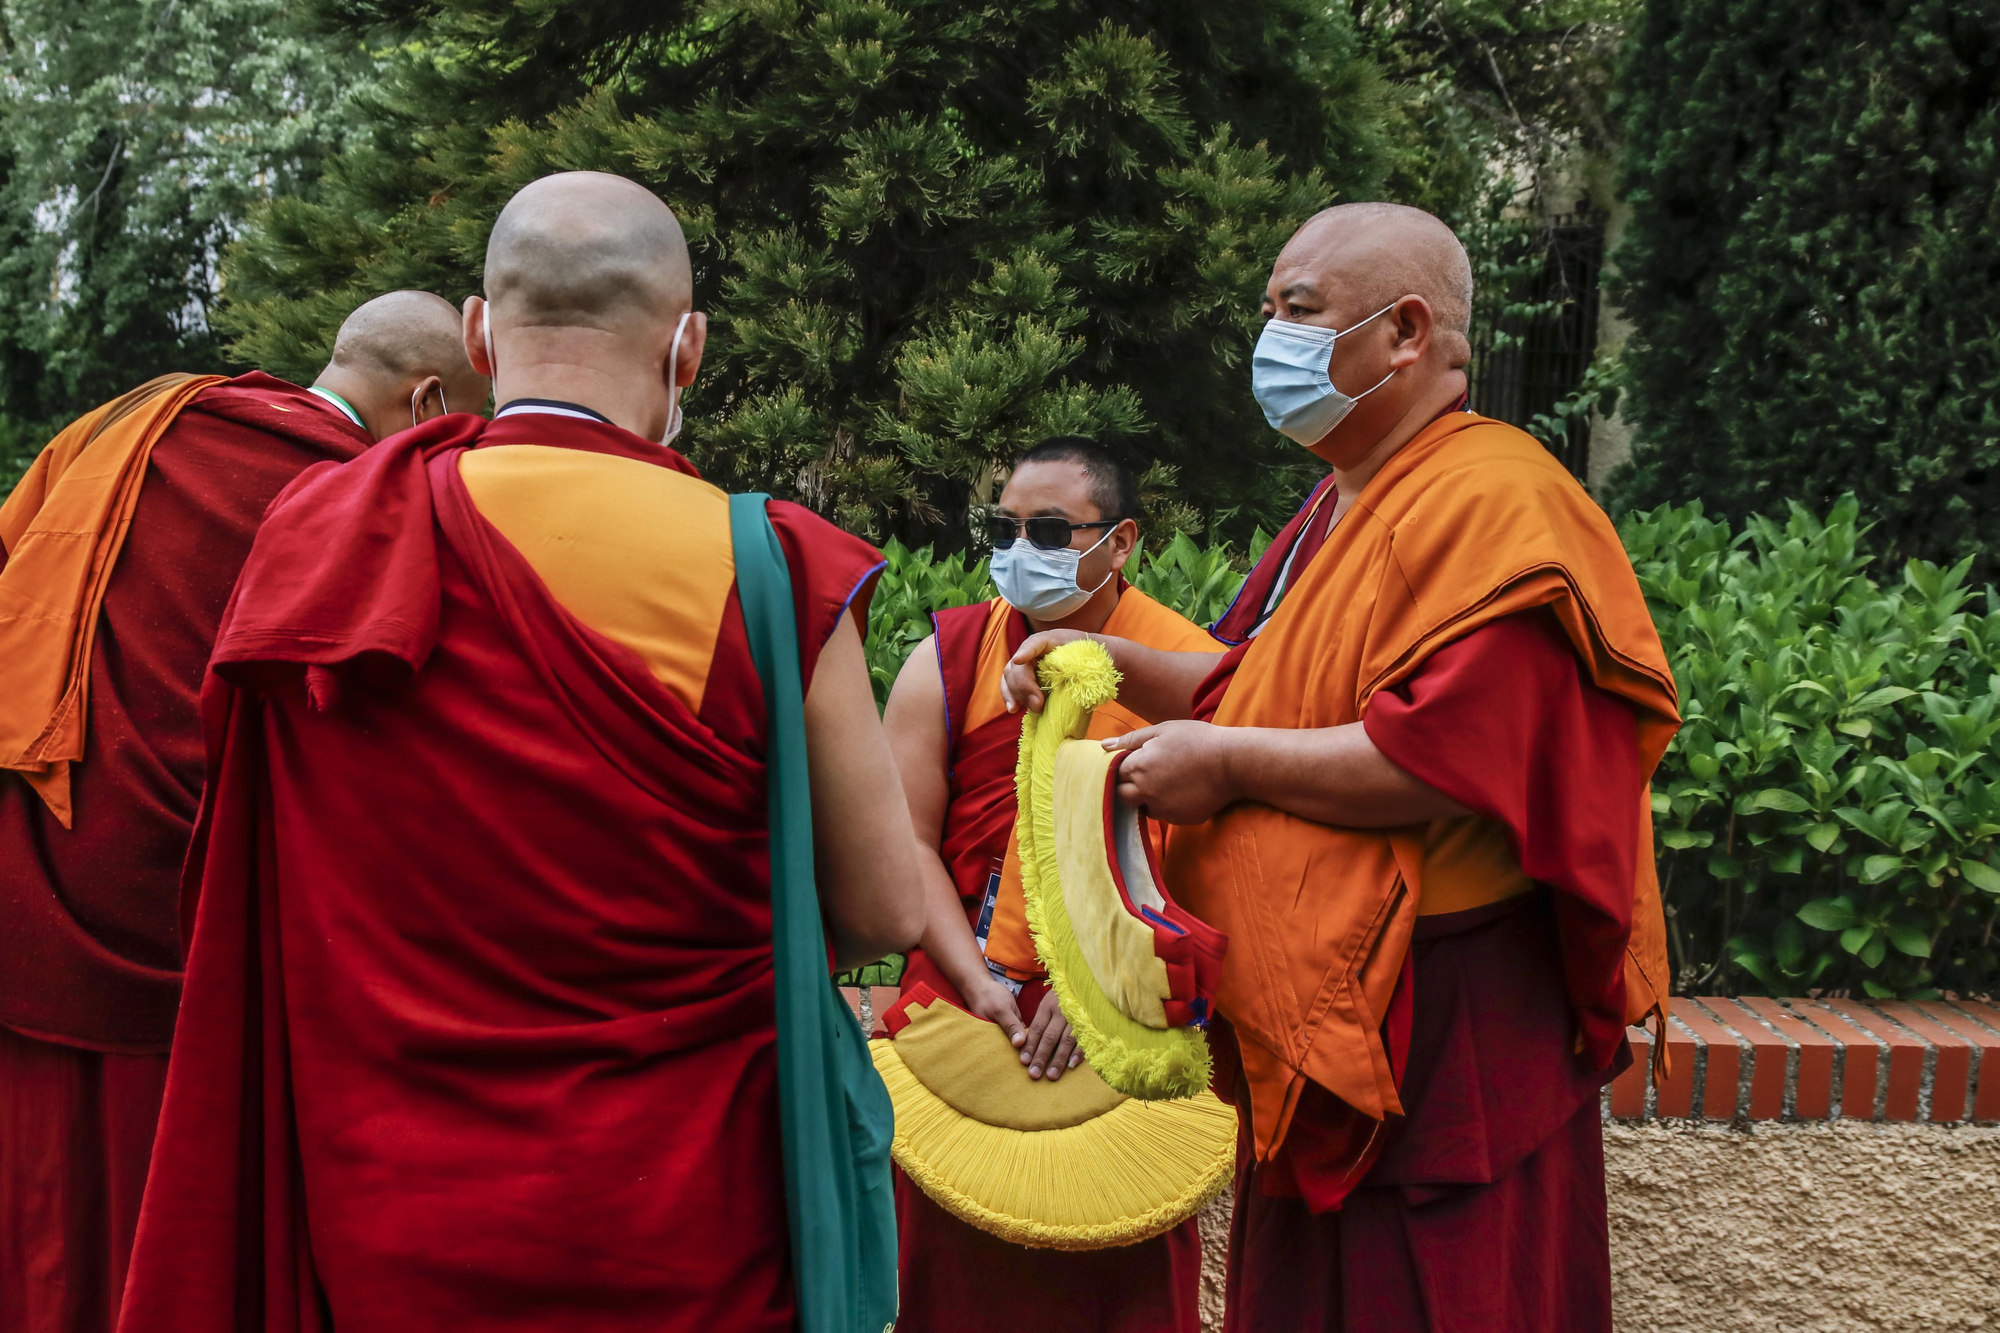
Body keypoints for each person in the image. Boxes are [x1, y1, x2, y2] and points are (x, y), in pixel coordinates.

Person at [116, 171, 926, 1333]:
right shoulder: (769, 567)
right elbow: (883, 910)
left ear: (483, 334)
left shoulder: (328, 538)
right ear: (686, 349)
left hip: (393, 1210)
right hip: (678, 1216)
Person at [1000, 203, 1681, 1331]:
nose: (1268, 339)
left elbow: (1445, 759)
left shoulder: (1494, 497)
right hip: (1327, 1010)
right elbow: (1270, 690)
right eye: (1267, 310)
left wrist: (1219, 766)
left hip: (1437, 1024)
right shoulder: (1344, 497)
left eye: (1297, 311)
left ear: (1406, 331)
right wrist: (1111, 658)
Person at [0, 289, 485, 1333]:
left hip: (30, 870)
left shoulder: (127, 426)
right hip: (187, 924)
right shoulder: (356, 507)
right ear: (430, 400)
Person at [880, 439, 1219, 1333]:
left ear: (1121, 543)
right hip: (967, 996)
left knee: (1120, 1279)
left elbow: (1209, 864)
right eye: (1005, 526)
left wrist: (1106, 987)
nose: (1019, 546)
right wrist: (977, 980)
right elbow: (908, 839)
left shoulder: (1191, 668)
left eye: (1048, 529)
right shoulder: (948, 657)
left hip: (1125, 1014)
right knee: (949, 1278)